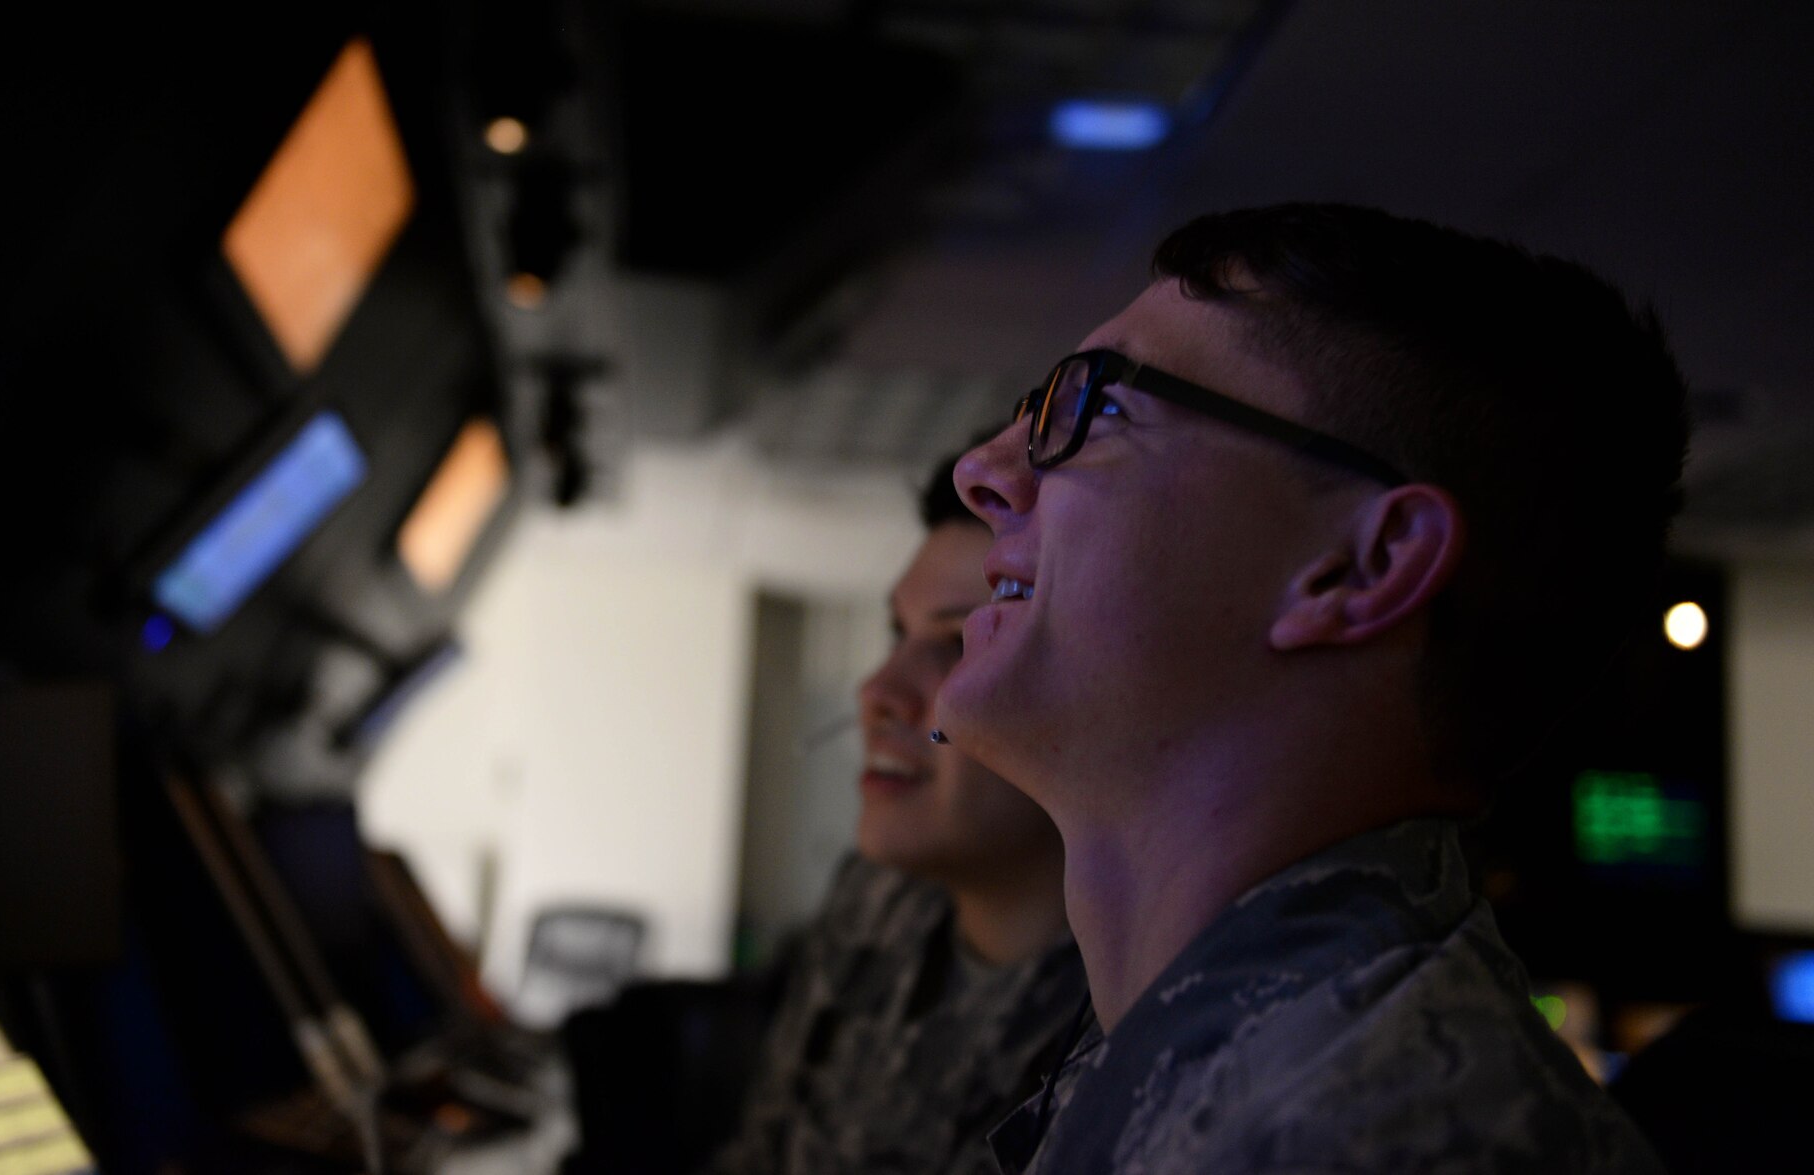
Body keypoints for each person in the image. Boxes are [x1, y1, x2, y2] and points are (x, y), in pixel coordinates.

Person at [937, 204, 1686, 1174]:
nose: (982, 472)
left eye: (1096, 405)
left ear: (1359, 569)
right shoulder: (1208, 1033)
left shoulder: (1392, 1135)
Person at [703, 454, 1090, 1175]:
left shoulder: (1139, 1024)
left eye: (957, 640)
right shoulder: (876, 897)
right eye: (897, 635)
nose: (877, 691)